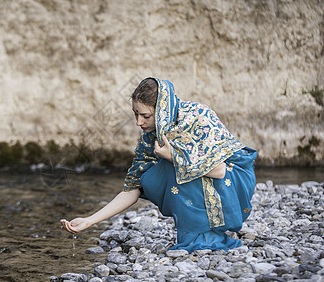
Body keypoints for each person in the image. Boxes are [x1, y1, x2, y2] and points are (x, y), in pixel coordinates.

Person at [61, 77, 257, 252]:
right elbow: (132, 188)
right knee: (149, 174)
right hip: (210, 178)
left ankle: (206, 235)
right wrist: (89, 221)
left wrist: (173, 156)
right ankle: (194, 233)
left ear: (162, 111)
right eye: (135, 114)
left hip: (234, 179)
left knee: (169, 166)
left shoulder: (198, 116)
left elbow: (219, 170)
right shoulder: (149, 138)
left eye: (145, 116)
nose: (138, 122)